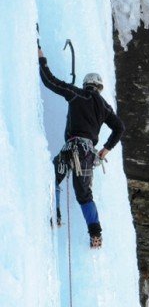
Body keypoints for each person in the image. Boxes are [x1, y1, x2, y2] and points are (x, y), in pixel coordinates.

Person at [38, 47, 125, 248]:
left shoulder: (77, 94)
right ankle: (95, 233)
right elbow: (120, 127)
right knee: (84, 194)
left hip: (72, 148)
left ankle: (55, 214)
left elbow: (49, 81)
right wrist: (106, 149)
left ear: (86, 85)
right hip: (87, 154)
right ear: (99, 87)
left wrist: (41, 58)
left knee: (54, 176)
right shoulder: (104, 107)